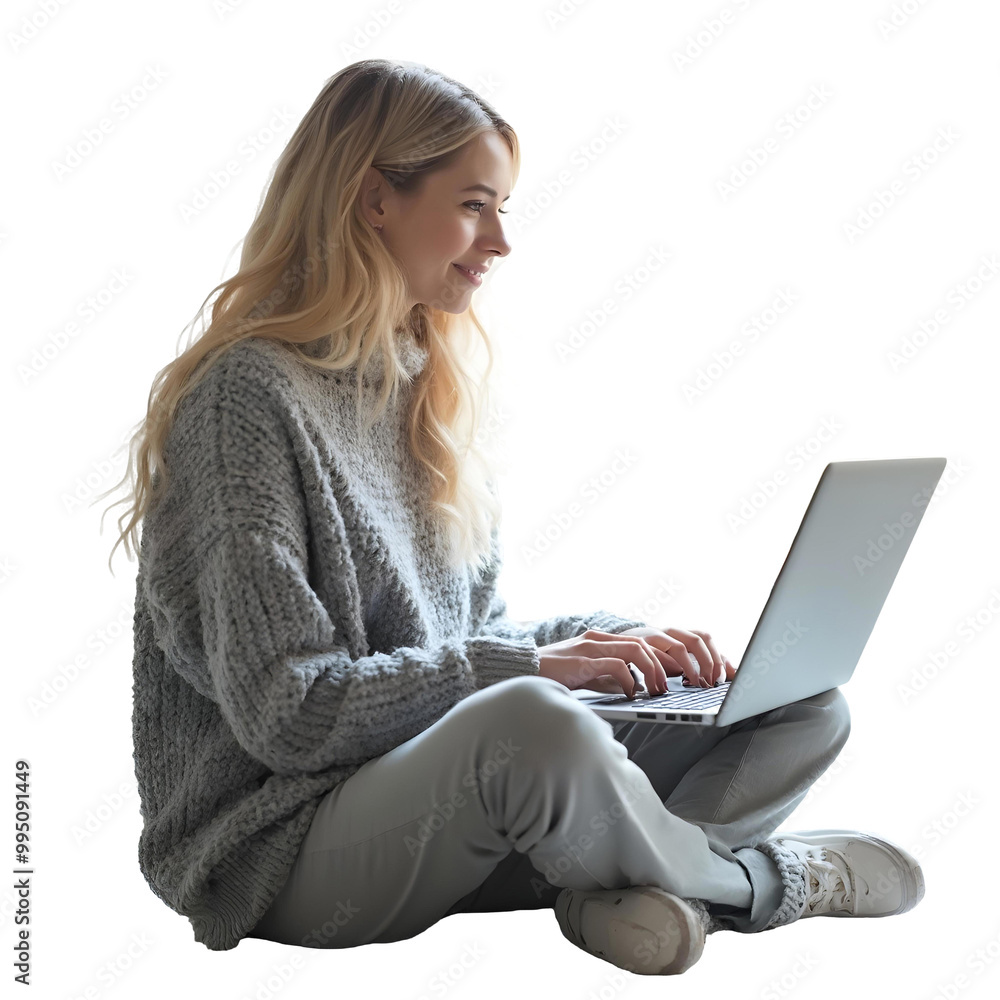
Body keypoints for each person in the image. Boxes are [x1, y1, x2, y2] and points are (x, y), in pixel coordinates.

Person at [99, 58, 924, 977]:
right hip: (278, 843)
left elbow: (463, 640)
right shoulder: (245, 402)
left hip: (436, 806)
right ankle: (763, 884)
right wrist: (534, 668)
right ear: (375, 200)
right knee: (535, 721)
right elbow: (290, 716)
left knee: (800, 709)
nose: (498, 241)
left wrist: (611, 643)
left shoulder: (418, 386)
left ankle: (628, 900)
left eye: (502, 211)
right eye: (473, 205)